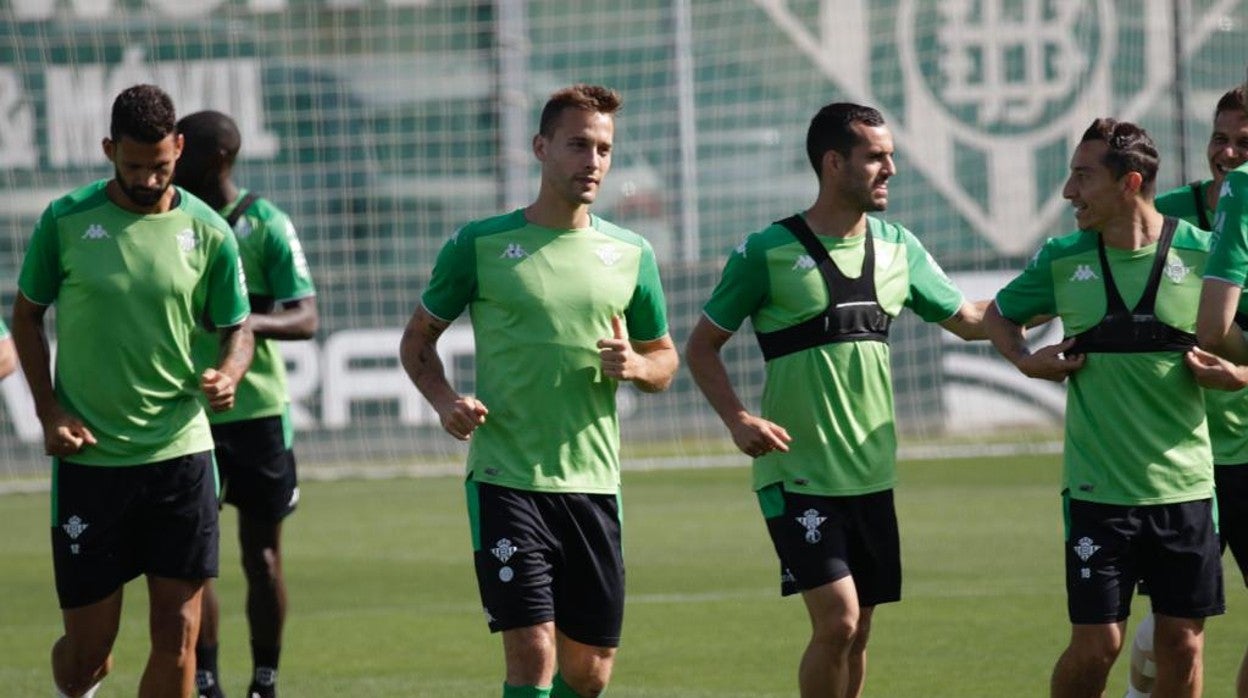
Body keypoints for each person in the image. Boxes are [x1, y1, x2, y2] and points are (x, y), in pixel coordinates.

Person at [684, 102, 986, 698]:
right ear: (832, 162)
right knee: (838, 620)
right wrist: (738, 418)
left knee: (860, 629)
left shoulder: (900, 246)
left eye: (890, 155)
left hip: (870, 476)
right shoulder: (767, 251)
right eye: (875, 156)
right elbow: (701, 348)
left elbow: (972, 320)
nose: (890, 169)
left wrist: (1056, 300)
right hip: (796, 474)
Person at [398, 84, 678, 698]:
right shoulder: (481, 243)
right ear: (541, 147)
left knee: (590, 671)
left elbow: (665, 360)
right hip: (507, 478)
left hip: (594, 484)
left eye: (604, 148)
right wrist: (446, 402)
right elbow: (417, 342)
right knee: (532, 651)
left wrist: (635, 365)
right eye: (579, 145)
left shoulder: (631, 253)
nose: (594, 161)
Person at [10, 84, 253, 698]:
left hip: (181, 453)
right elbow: (26, 316)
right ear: (108, 150)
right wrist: (49, 409)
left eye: (161, 166)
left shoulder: (208, 232)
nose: (147, 180)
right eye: (133, 167)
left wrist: (228, 373)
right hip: (92, 459)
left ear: (179, 147)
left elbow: (239, 328)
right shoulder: (65, 220)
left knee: (178, 636)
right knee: (88, 654)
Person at [984, 118, 1223, 698]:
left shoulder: (1202, 253)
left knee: (1182, 645)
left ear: (1128, 182)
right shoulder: (1064, 258)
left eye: (1082, 177)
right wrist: (1023, 360)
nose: (1069, 193)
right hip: (1097, 494)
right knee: (1097, 648)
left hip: (1183, 490)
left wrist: (1239, 374)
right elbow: (999, 315)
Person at [174, 110, 319, 698]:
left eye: (184, 152)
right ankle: (205, 680)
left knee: (261, 557)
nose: (171, 160)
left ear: (216, 160)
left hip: (257, 412)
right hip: (190, 414)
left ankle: (265, 681)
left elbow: (307, 316)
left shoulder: (266, 224)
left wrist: (244, 321)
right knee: (194, 558)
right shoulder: (174, 222)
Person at [1126, 83, 1248, 698]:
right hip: (1183, 456)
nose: (1227, 154)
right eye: (1219, 138)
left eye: (1244, 143)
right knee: (1179, 634)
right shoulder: (1165, 219)